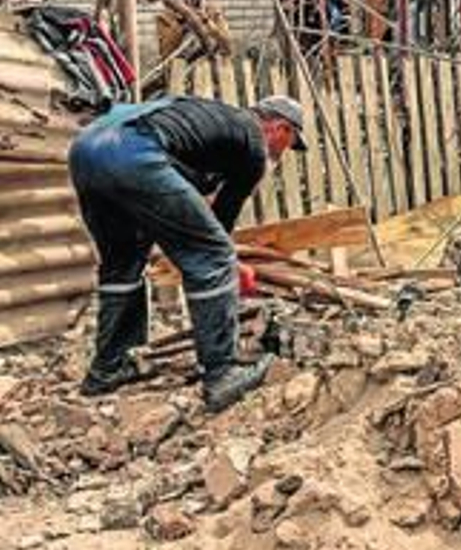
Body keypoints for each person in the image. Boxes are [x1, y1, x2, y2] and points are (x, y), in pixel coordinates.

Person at [68, 94, 308, 410]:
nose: (284, 152)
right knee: (214, 256)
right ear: (281, 129)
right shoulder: (253, 144)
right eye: (289, 143)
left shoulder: (212, 119)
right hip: (134, 151)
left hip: (87, 149)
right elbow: (219, 222)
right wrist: (229, 267)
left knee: (122, 263)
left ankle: (107, 370)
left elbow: (172, 192)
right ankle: (222, 375)